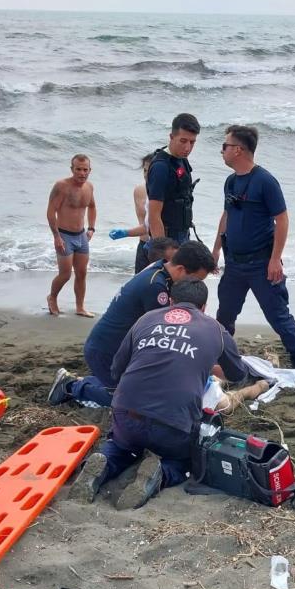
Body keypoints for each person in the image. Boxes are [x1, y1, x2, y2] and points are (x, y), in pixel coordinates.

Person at [73, 279, 249, 508]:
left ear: (171, 301)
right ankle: (162, 474)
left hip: (126, 416)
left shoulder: (145, 319)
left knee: (121, 446)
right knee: (188, 459)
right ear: (204, 307)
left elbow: (116, 370)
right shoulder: (216, 329)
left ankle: (104, 464)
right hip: (173, 427)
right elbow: (237, 375)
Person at [48, 241, 215, 408]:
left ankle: (90, 381)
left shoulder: (159, 269)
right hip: (107, 352)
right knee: (132, 400)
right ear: (180, 269)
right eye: (195, 280)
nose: (196, 286)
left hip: (116, 348)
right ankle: (70, 386)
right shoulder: (156, 287)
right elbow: (168, 334)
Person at [212, 125, 295, 370]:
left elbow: (282, 219)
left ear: (239, 150)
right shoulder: (230, 182)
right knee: (225, 315)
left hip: (261, 263)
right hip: (234, 262)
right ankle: (221, 356)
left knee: (277, 315)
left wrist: (275, 259)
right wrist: (215, 252)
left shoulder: (265, 181)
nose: (221, 151)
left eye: (225, 146)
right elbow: (226, 216)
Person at [46, 154, 97, 317]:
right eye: (78, 169)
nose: (82, 173)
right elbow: (50, 212)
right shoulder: (62, 186)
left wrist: (91, 228)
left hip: (81, 236)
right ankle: (52, 297)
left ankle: (80, 307)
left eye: (85, 170)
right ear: (72, 169)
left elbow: (92, 207)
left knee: (82, 273)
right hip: (64, 235)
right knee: (66, 274)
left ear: (90, 170)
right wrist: (56, 236)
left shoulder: (89, 187)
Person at [147, 113, 200, 244]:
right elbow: (154, 214)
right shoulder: (161, 167)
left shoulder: (181, 160)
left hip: (183, 232)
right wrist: (162, 252)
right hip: (167, 236)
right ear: (171, 137)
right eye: (183, 141)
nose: (188, 147)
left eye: (192, 142)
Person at [109, 152, 157, 273]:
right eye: (145, 171)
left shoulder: (167, 193)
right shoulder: (139, 190)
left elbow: (152, 226)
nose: (146, 175)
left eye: (150, 171)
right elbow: (145, 224)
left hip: (160, 248)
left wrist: (126, 233)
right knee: (139, 288)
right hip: (143, 246)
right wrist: (124, 233)